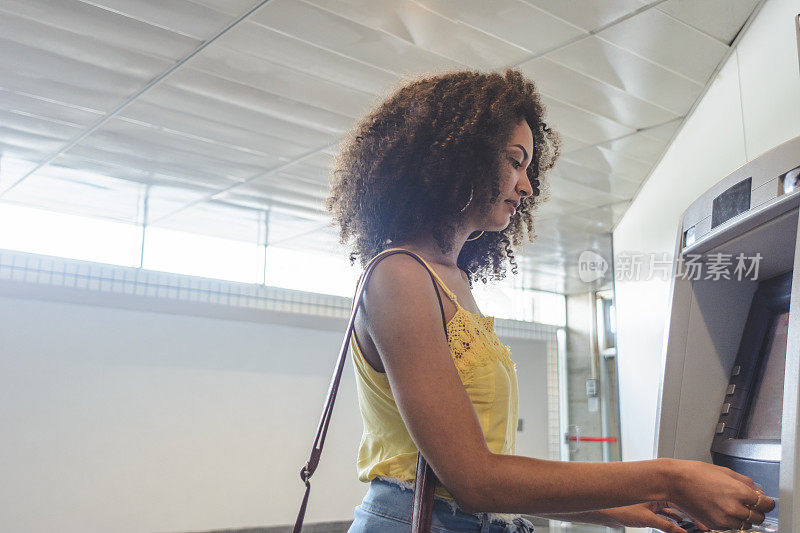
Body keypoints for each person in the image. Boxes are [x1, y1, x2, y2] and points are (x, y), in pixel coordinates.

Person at [324, 69, 774, 533]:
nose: (526, 186)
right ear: (461, 158)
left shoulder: (451, 280)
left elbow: (484, 482)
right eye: (515, 162)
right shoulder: (399, 276)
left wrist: (622, 508)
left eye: (528, 168)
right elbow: (475, 481)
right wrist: (669, 478)